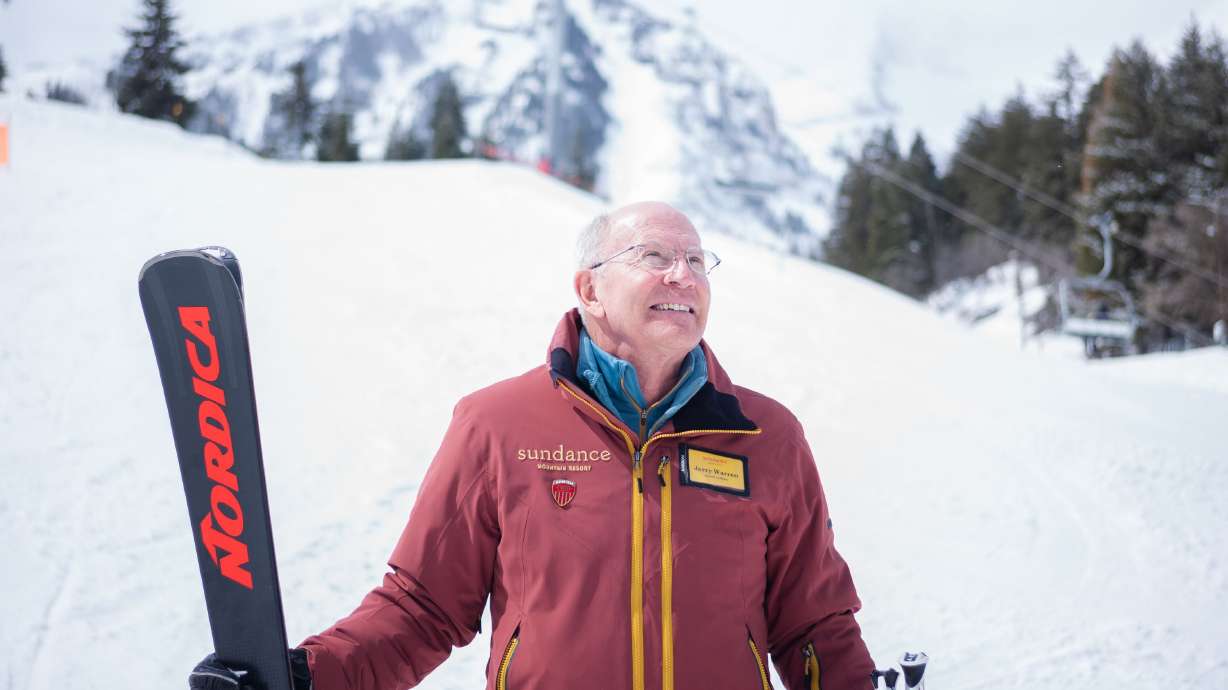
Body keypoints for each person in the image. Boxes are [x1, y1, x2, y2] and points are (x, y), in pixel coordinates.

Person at [190, 201, 874, 689]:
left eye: (698, 261)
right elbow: (421, 609)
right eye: (655, 256)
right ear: (590, 290)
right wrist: (308, 678)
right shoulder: (498, 424)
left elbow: (814, 626)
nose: (684, 276)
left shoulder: (766, 437)